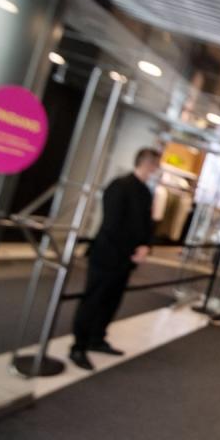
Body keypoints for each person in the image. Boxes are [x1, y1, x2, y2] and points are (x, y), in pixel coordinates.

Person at [70, 148, 161, 370]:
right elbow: (112, 225)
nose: (158, 169)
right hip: (107, 255)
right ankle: (78, 347)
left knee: (112, 301)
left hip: (125, 259)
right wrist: (135, 248)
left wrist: (145, 246)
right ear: (148, 164)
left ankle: (97, 338)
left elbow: (147, 224)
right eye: (156, 164)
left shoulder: (145, 192)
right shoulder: (119, 186)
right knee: (93, 299)